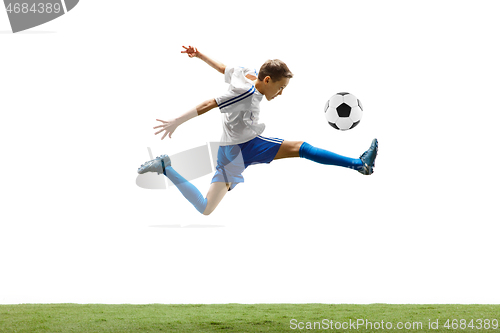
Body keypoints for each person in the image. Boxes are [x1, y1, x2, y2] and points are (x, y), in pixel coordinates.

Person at [138, 45, 378, 215]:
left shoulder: (249, 73)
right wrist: (176, 121)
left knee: (301, 148)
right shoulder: (244, 94)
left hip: (240, 147)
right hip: (239, 149)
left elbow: (224, 68)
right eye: (280, 87)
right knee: (206, 208)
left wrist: (200, 55)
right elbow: (209, 104)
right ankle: (165, 167)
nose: (281, 93)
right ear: (267, 81)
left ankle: (359, 165)